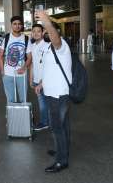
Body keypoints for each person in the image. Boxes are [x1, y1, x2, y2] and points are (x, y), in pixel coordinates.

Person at [34, 10, 72, 173]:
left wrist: (46, 21)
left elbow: (55, 37)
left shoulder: (60, 45)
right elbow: (51, 68)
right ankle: (61, 150)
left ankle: (61, 161)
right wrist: (41, 83)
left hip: (58, 94)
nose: (46, 33)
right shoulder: (49, 47)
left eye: (48, 31)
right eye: (45, 31)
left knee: (57, 127)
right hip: (50, 92)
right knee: (62, 125)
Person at [0, 16, 32, 103]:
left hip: (22, 74)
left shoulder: (27, 39)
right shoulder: (3, 38)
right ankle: (12, 116)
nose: (17, 26)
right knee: (10, 100)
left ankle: (24, 116)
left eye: (19, 24)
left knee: (23, 99)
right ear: (11, 25)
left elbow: (29, 57)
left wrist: (24, 68)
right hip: (7, 74)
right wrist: (2, 70)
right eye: (15, 24)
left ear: (22, 25)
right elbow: (0, 55)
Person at [29, 24, 49, 131]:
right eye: (34, 31)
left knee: (45, 103)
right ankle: (46, 121)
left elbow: (48, 65)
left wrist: (42, 81)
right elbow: (32, 64)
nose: (36, 33)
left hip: (45, 80)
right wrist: (31, 78)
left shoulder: (47, 46)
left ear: (43, 32)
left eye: (38, 31)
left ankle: (45, 122)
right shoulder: (33, 46)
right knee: (42, 102)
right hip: (37, 80)